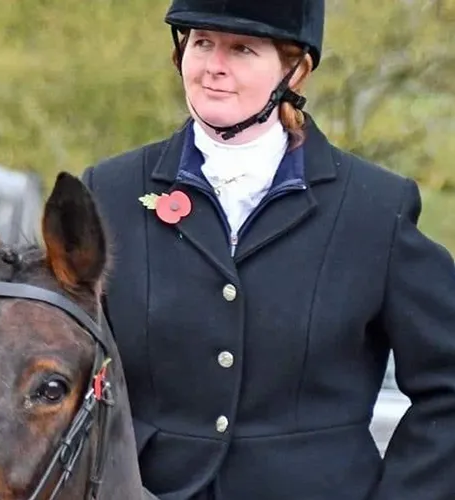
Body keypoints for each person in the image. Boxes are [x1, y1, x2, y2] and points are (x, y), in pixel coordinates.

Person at [81, 1, 455, 499]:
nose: (214, 64)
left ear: (295, 69)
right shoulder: (110, 190)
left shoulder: (375, 209)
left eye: (242, 49)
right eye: (202, 43)